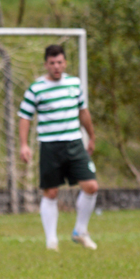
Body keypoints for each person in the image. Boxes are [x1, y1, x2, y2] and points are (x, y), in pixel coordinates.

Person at [18, 44, 99, 251]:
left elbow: (83, 111)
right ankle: (51, 241)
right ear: (46, 64)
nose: (56, 66)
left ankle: (80, 231)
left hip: (74, 143)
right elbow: (25, 117)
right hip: (49, 145)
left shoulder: (74, 84)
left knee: (91, 186)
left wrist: (91, 136)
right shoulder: (36, 88)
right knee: (51, 192)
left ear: (65, 63)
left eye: (60, 62)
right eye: (52, 63)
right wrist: (24, 144)